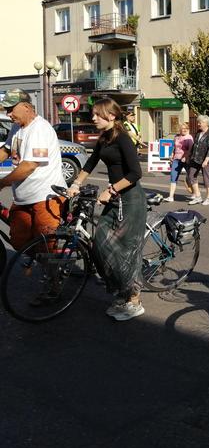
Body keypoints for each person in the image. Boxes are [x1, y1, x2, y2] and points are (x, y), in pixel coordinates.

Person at [67, 98, 147, 321]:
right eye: (93, 114)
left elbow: (135, 174)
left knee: (127, 250)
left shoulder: (123, 138)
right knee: (100, 244)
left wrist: (110, 191)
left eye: (97, 114)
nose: (93, 118)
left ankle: (134, 300)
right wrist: (75, 184)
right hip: (115, 200)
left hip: (130, 200)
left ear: (111, 116)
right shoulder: (103, 138)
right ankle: (122, 290)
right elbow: (91, 163)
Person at [0, 88, 67, 252]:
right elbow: (6, 150)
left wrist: (2, 183)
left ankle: (54, 275)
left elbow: (30, 165)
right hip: (23, 197)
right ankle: (35, 265)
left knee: (46, 246)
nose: (8, 114)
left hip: (44, 197)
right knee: (19, 241)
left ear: (26, 107)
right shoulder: (17, 128)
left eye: (11, 109)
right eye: (6, 110)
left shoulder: (40, 129)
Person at [187, 114, 209, 205]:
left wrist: (206, 160)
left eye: (200, 122)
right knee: (191, 176)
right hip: (195, 158)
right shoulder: (198, 133)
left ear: (206, 123)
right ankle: (198, 196)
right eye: (198, 122)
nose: (198, 124)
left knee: (206, 179)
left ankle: (208, 198)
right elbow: (194, 145)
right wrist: (189, 156)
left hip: (206, 160)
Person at [165, 123, 194, 202]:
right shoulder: (176, 137)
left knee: (191, 177)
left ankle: (195, 194)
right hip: (176, 159)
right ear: (180, 129)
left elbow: (190, 150)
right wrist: (171, 154)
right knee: (173, 177)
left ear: (188, 129)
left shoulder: (189, 137)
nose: (184, 130)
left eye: (186, 128)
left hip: (186, 160)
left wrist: (185, 157)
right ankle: (171, 197)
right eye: (182, 128)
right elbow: (174, 147)